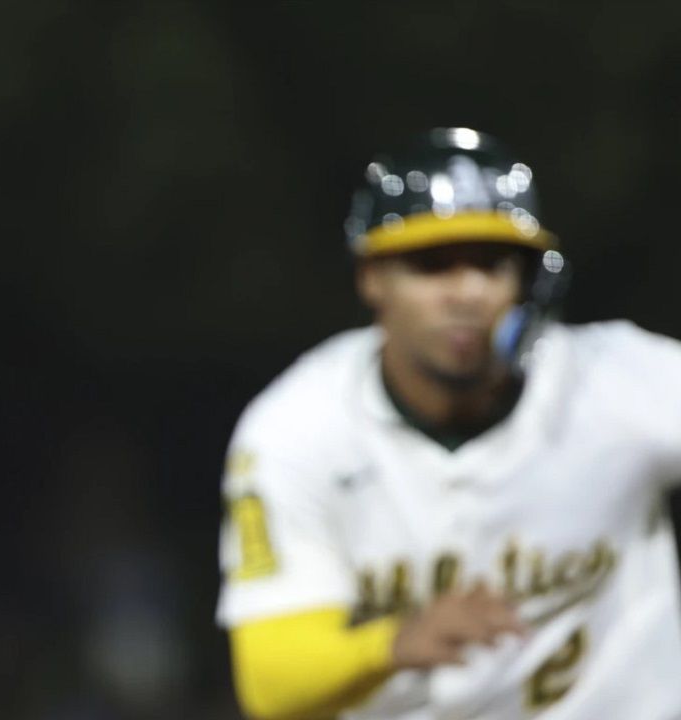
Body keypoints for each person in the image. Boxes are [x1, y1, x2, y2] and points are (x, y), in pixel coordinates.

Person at [215, 127, 681, 719]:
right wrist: (392, 644)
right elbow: (269, 683)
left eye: (491, 264)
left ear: (528, 280)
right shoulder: (299, 429)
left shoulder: (613, 381)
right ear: (371, 278)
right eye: (432, 265)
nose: (466, 292)